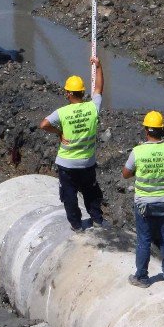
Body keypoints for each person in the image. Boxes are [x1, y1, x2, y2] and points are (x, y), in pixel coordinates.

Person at [39, 57, 104, 230]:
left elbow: (44, 124)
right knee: (91, 192)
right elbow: (98, 88)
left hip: (67, 164)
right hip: (87, 163)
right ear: (82, 92)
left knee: (69, 195)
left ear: (68, 93)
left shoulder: (62, 112)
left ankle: (76, 225)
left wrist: (59, 132)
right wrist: (98, 67)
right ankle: (97, 219)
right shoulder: (92, 107)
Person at [122, 111, 164, 287]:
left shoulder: (138, 152)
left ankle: (142, 277)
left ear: (146, 131)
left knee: (144, 239)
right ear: (162, 130)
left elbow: (126, 174)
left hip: (144, 204)